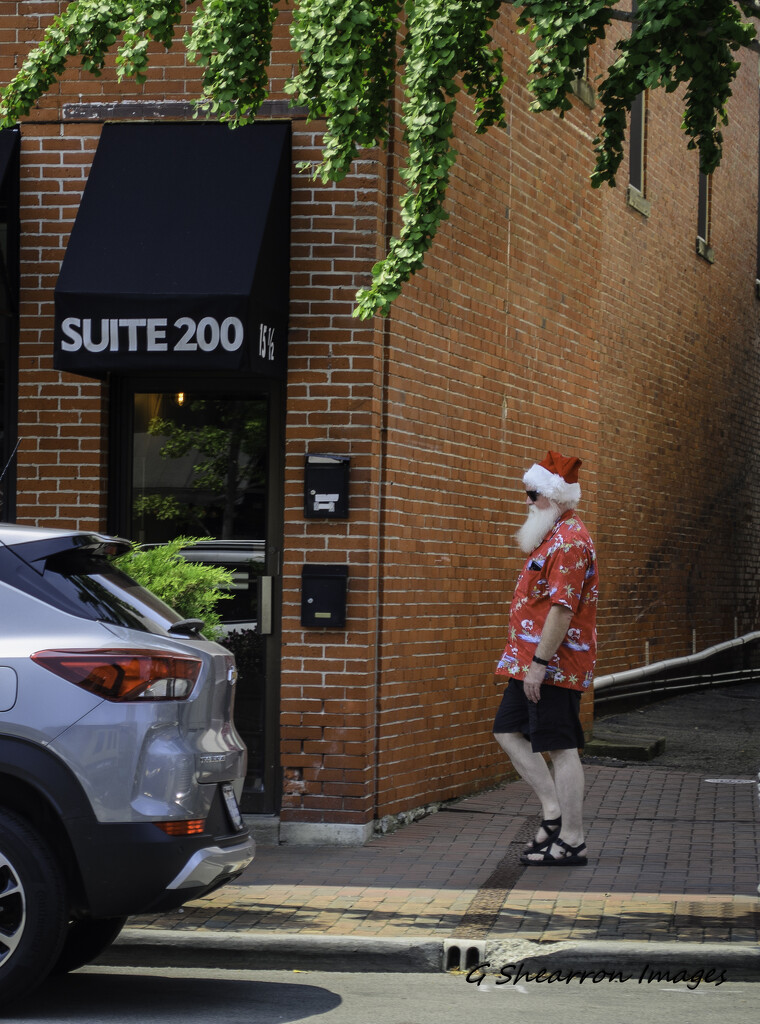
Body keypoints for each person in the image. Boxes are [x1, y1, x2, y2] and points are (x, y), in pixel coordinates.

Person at [493, 450, 598, 866]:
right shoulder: (551, 535)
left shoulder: (570, 541)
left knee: (561, 746)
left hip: (553, 665)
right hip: (527, 660)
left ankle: (572, 838)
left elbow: (562, 608)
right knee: (507, 731)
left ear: (554, 497)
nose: (527, 501)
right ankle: (554, 813)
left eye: (533, 494)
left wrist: (540, 664)